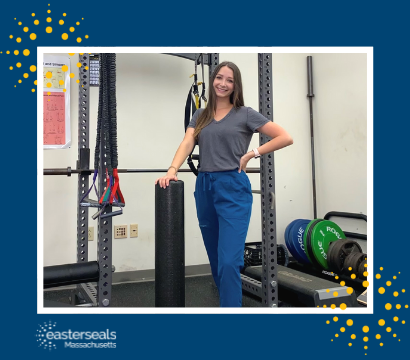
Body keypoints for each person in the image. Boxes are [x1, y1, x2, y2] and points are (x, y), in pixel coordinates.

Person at [155, 61, 293, 307]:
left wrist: (253, 153)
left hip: (233, 187)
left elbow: (285, 136)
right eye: (220, 78)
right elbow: (188, 142)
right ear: (213, 80)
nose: (223, 84)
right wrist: (172, 169)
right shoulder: (201, 115)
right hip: (205, 186)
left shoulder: (246, 113)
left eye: (230, 80)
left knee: (230, 260)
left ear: (235, 85)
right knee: (217, 260)